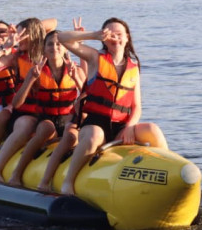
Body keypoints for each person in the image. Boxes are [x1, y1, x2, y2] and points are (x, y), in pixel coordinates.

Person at [54, 18, 168, 196]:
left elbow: (137, 106)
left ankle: (167, 173)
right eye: (110, 35)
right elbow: (62, 38)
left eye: (119, 34)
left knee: (153, 129)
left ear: (127, 38)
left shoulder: (134, 67)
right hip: (95, 123)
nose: (115, 38)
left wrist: (130, 126)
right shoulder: (94, 58)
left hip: (121, 126)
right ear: (103, 39)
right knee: (95, 135)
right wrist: (92, 35)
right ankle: (68, 182)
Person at [4, 30, 86, 187]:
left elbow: (86, 98)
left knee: (72, 135)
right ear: (43, 48)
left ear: (66, 48)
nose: (54, 47)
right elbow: (16, 104)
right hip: (44, 118)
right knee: (46, 128)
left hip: (67, 119)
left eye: (59, 44)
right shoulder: (36, 71)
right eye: (50, 44)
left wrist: (76, 78)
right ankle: (16, 173)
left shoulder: (76, 70)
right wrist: (30, 80)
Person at [0, 17, 51, 181]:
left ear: (34, 34)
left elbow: (54, 23)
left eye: (22, 34)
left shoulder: (52, 52)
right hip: (25, 113)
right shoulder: (15, 57)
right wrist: (5, 46)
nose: (18, 38)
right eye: (17, 34)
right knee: (25, 124)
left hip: (50, 114)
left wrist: (28, 28)